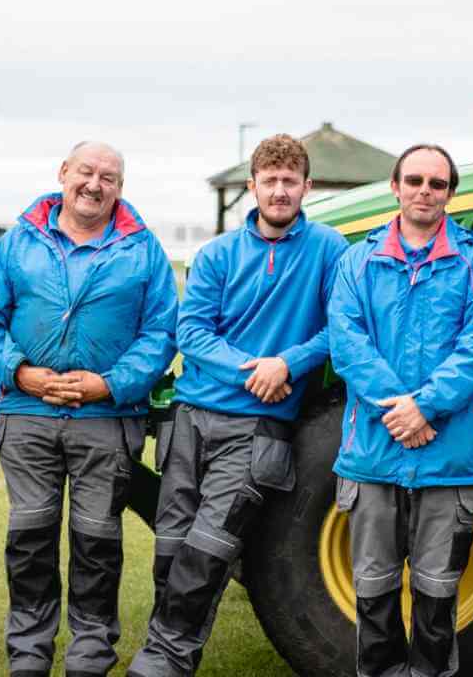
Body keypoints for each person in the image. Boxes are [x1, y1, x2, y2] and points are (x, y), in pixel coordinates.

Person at [127, 134, 348, 677]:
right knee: (172, 547)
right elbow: (192, 331)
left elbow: (341, 329)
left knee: (209, 548)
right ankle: (169, 649)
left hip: (259, 428)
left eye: (289, 182)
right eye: (269, 181)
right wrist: (255, 369)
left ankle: (163, 661)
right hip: (192, 418)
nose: (279, 191)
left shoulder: (329, 251)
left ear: (306, 187)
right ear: (253, 187)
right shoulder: (217, 254)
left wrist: (288, 365)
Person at [0, 141, 178, 677]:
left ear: (120, 188)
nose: (95, 184)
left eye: (108, 177)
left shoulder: (143, 249)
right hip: (28, 417)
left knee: (97, 544)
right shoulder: (19, 241)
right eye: (86, 171)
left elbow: (161, 334)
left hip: (107, 421)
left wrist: (109, 384)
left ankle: (89, 654)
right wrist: (20, 373)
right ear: (64, 173)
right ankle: (30, 653)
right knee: (31, 541)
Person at [328, 143, 473, 677]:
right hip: (374, 454)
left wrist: (426, 407)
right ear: (395, 186)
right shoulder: (357, 261)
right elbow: (347, 342)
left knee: (437, 596)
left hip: (447, 456)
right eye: (414, 181)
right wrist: (399, 411)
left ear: (451, 193)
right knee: (373, 590)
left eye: (436, 183)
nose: (424, 191)